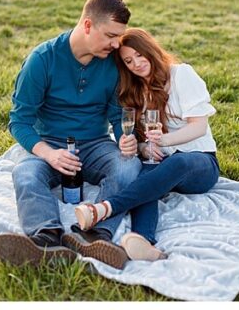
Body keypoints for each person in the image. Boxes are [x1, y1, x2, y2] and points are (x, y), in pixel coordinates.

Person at [0, 0, 141, 269]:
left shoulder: (112, 63)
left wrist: (124, 140)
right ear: (87, 25)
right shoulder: (43, 59)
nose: (115, 44)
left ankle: (95, 235)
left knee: (129, 167)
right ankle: (46, 239)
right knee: (25, 172)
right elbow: (20, 120)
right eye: (110, 36)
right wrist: (49, 154)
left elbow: (115, 112)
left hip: (95, 143)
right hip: (49, 142)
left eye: (118, 37)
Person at [71, 28, 220, 264]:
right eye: (129, 61)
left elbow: (198, 127)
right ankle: (144, 243)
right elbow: (141, 141)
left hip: (198, 163)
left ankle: (104, 208)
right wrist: (139, 147)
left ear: (150, 50)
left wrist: (165, 140)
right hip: (161, 164)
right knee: (147, 177)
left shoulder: (181, 75)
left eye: (140, 55)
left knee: (176, 162)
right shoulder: (135, 91)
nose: (136, 64)